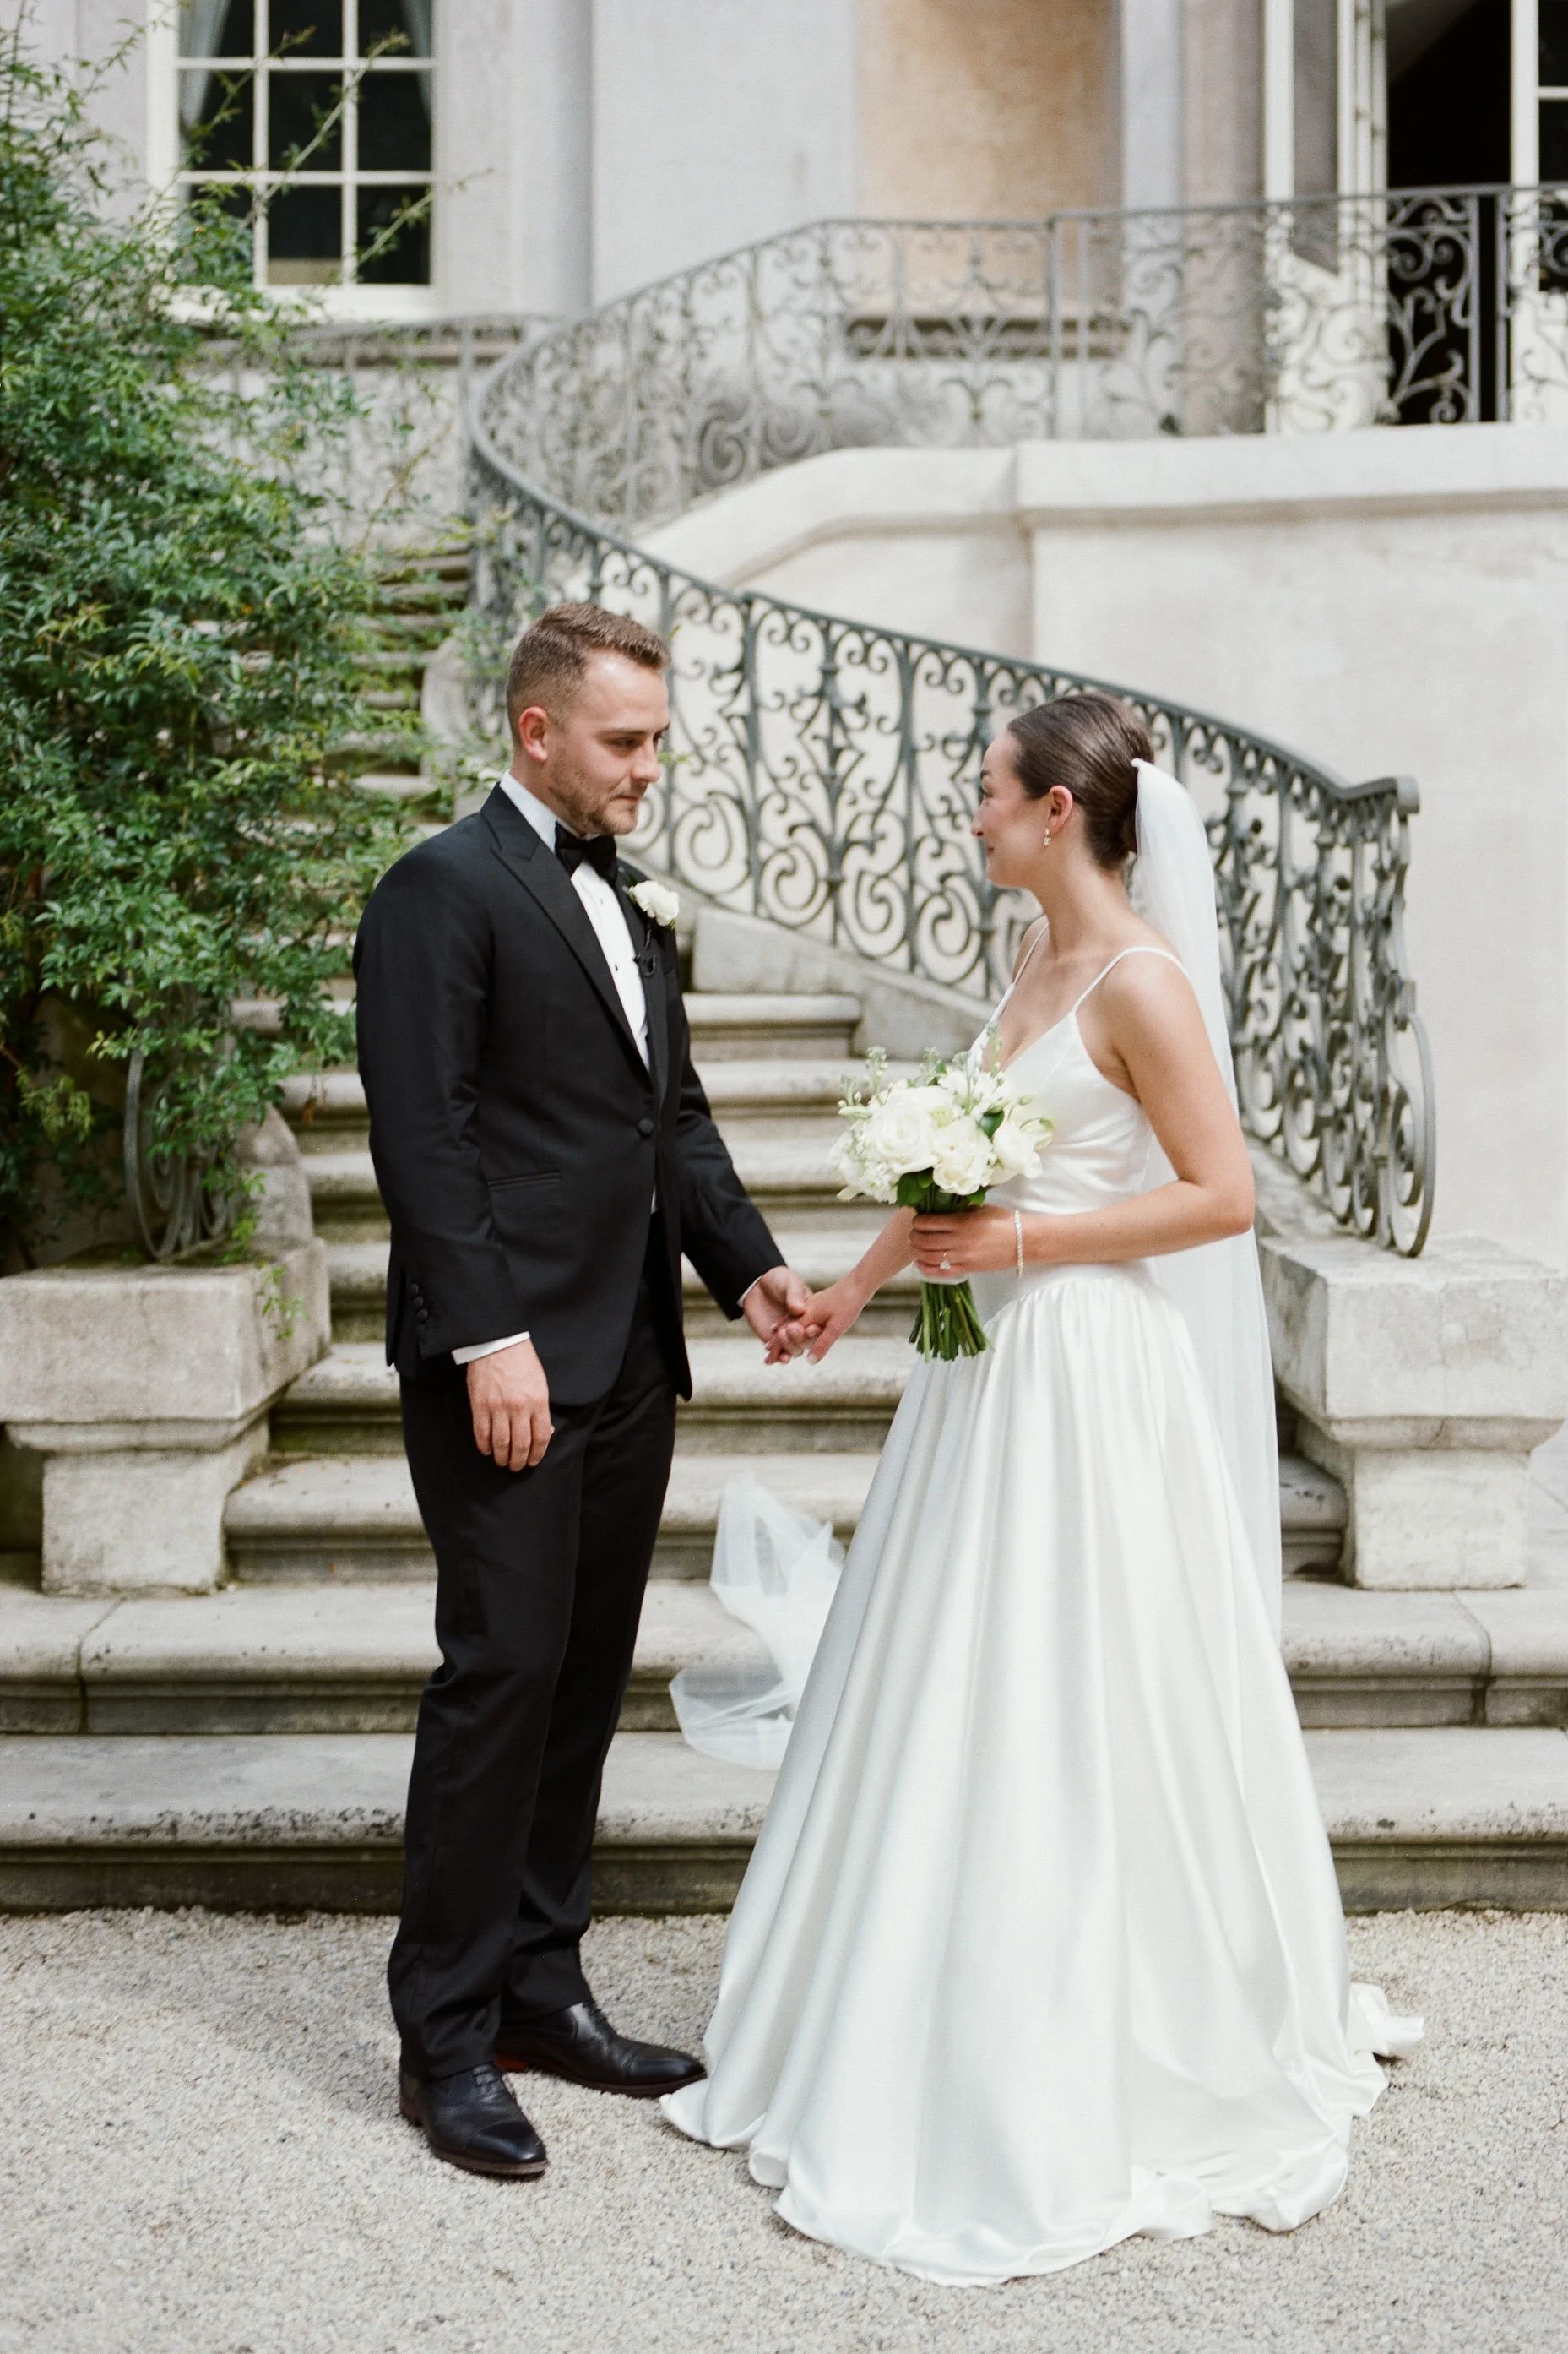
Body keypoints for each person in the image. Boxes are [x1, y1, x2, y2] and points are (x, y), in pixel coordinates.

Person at [663, 693, 1420, 2284]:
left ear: (1060, 813)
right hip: (978, 1375)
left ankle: (1100, 2017)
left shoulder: (1145, 982)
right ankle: (903, 1993)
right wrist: (853, 1289)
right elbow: (968, 1166)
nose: (972, 814)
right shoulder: (1029, 963)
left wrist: (1028, 1248)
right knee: (949, 1667)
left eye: (987, 793)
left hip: (1087, 1367)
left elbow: (1219, 1199)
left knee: (1080, 1682)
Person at [355, 602, 810, 2179]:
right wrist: (489, 1338)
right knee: (500, 1678)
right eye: (626, 740)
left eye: (659, 737)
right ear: (538, 731)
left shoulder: (631, 907)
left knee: (582, 1680)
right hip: (510, 1365)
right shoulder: (436, 889)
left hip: (630, 1359)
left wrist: (745, 1267)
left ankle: (545, 1988)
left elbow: (665, 1121)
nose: (649, 767)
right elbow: (424, 1136)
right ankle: (448, 2039)